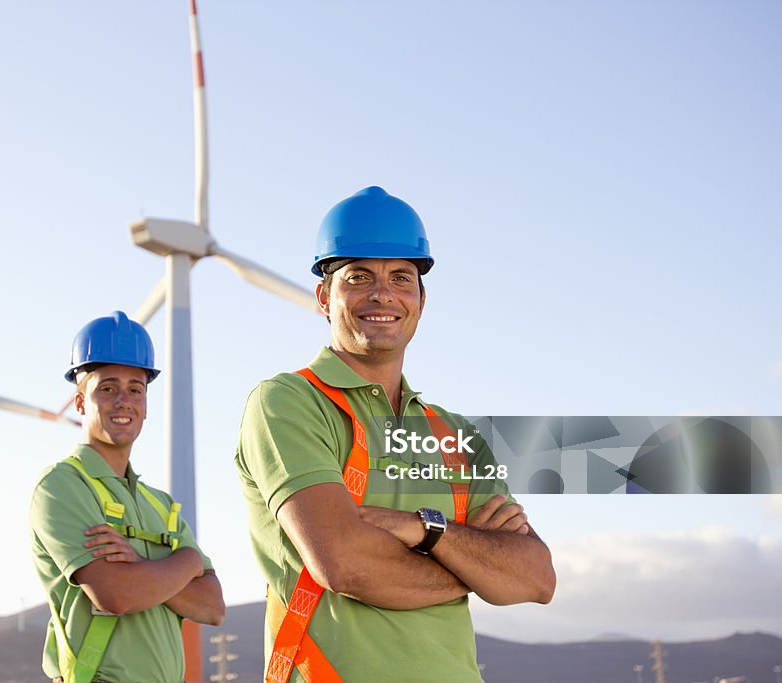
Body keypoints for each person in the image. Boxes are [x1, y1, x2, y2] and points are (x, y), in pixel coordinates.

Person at [235, 187, 556, 683]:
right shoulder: (288, 403)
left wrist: (425, 530)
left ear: (421, 301)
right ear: (324, 296)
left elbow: (534, 577)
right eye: (358, 276)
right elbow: (347, 565)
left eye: (400, 277)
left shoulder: (452, 432)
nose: (381, 294)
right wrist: (473, 569)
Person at [31, 311, 224, 683]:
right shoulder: (63, 486)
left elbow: (213, 607)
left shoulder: (161, 504)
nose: (123, 401)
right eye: (107, 388)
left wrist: (140, 563)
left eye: (135, 389)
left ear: (146, 405)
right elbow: (117, 595)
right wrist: (186, 562)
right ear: (80, 402)